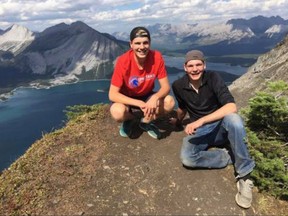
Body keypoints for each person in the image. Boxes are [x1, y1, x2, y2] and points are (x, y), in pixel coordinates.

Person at [171, 50, 255, 209]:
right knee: (188, 158)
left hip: (220, 126)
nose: (195, 69)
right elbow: (182, 107)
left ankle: (244, 175)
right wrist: (177, 121)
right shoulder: (178, 86)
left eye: (198, 65)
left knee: (234, 119)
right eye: (191, 66)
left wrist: (200, 121)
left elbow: (231, 106)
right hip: (202, 133)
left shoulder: (213, 78)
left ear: (204, 65)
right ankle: (229, 155)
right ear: (185, 67)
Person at [109, 26, 175, 139]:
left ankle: (145, 122)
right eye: (137, 43)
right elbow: (112, 94)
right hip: (127, 96)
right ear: (131, 44)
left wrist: (155, 98)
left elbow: (166, 87)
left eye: (145, 43)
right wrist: (139, 103)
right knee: (117, 112)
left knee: (169, 102)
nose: (142, 47)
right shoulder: (123, 61)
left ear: (150, 43)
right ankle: (130, 119)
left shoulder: (156, 57)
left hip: (147, 94)